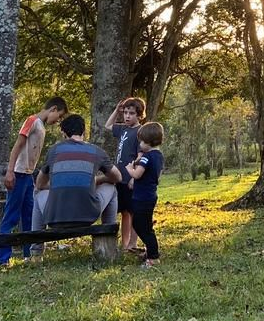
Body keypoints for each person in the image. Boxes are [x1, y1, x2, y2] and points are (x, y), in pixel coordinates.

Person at [29, 114, 121, 253]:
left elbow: (40, 184)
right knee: (111, 189)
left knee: (37, 193)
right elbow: (117, 178)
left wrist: (58, 186)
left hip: (55, 218)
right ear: (84, 132)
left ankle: (36, 251)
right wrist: (98, 180)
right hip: (88, 216)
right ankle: (108, 241)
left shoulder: (54, 151)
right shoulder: (96, 151)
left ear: (63, 133)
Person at [0, 96, 68, 266]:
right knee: (11, 216)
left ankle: (28, 254)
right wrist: (10, 171)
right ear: (53, 109)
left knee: (29, 215)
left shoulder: (41, 126)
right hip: (18, 173)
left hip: (28, 176)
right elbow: (18, 146)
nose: (58, 121)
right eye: (59, 116)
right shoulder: (32, 121)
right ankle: (2, 259)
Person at [104, 96, 146, 253]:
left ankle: (131, 244)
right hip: (119, 178)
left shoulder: (139, 132)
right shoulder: (123, 129)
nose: (127, 116)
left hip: (129, 178)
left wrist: (134, 176)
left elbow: (140, 155)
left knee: (132, 211)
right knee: (124, 212)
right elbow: (108, 125)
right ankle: (124, 245)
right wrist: (116, 110)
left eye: (131, 113)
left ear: (139, 115)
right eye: (126, 113)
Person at [125, 121, 164, 267]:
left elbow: (137, 174)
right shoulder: (159, 156)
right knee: (143, 224)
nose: (140, 144)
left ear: (148, 142)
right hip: (150, 195)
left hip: (141, 198)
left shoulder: (146, 157)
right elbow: (157, 176)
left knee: (143, 227)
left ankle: (153, 256)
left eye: (141, 141)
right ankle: (150, 250)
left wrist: (129, 168)